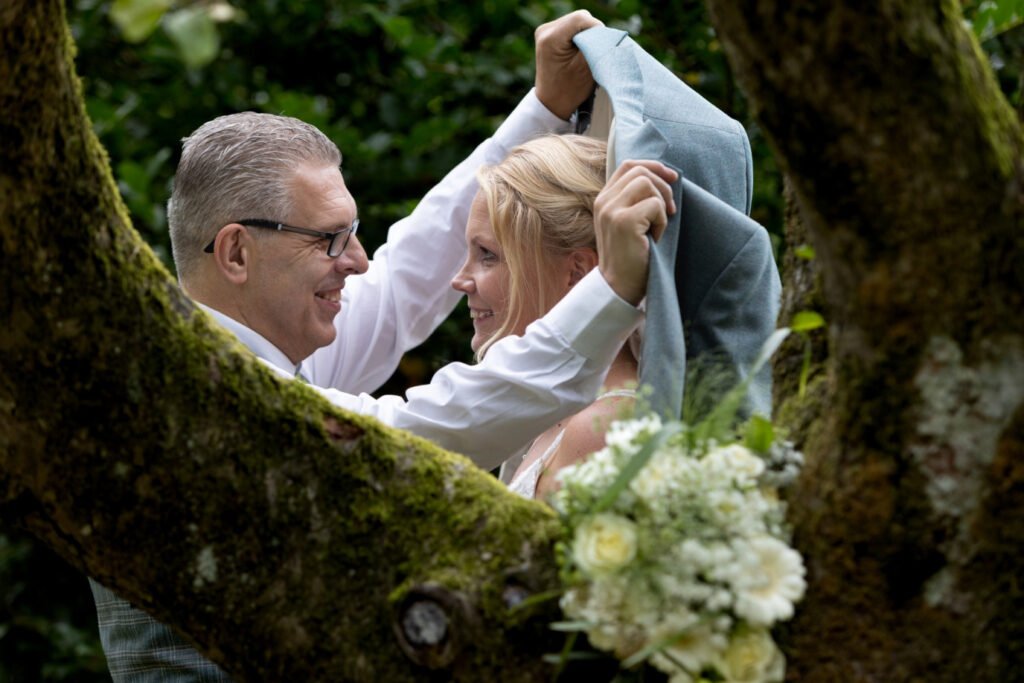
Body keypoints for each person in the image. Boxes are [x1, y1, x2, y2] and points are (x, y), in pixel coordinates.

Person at [88, 11, 678, 681]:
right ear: (237, 253)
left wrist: (544, 109)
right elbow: (436, 427)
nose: (359, 260)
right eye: (330, 240)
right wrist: (611, 288)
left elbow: (406, 278)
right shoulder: (198, 396)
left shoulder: (261, 347)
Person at [451, 134, 639, 500]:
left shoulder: (601, 429)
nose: (459, 280)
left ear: (578, 273)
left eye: (487, 255)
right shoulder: (557, 410)